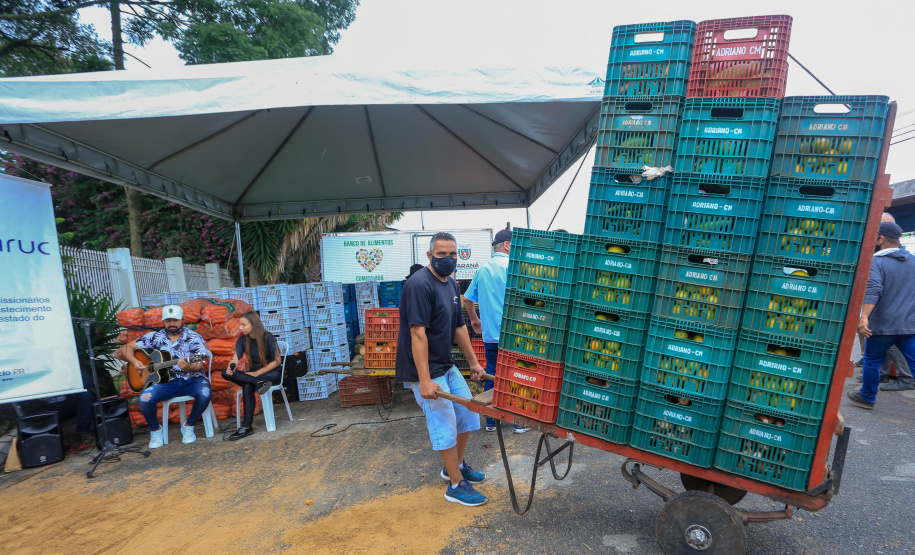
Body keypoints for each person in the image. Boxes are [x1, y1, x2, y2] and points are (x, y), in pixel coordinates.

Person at [396, 231, 488, 507]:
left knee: (467, 413)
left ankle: (455, 466)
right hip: (423, 369)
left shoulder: (451, 284)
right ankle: (456, 485)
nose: (447, 259)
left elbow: (459, 326)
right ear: (429, 256)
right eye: (441, 254)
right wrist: (424, 381)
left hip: (445, 364)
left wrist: (473, 362)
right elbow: (417, 334)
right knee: (444, 422)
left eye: (452, 254)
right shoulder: (418, 285)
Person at [463, 228, 529, 434]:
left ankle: (492, 421)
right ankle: (518, 421)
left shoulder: (482, 269)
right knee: (516, 374)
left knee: (492, 373)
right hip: (514, 334)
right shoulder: (514, 266)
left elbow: (467, 299)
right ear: (508, 245)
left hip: (490, 334)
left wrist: (475, 319)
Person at [847, 222, 915, 408]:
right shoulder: (913, 260)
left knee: (873, 361)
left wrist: (864, 317)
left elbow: (874, 288)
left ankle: (867, 397)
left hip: (883, 325)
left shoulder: (877, 261)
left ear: (882, 239)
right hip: (909, 324)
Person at [122, 305, 210, 448]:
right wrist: (135, 361)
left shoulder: (194, 337)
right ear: (163, 322)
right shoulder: (155, 337)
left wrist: (188, 365)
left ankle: (189, 426)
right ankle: (156, 431)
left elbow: (199, 365)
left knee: (205, 394)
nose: (172, 324)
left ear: (183, 320)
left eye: (175, 320)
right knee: (144, 399)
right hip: (165, 382)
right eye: (168, 320)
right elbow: (127, 348)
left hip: (193, 379)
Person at [222, 311, 282, 440]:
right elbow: (235, 357)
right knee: (224, 373)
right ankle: (257, 383)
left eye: (244, 325)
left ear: (253, 324)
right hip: (254, 376)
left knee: (247, 384)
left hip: (271, 373)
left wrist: (257, 373)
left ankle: (246, 427)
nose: (240, 327)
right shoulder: (243, 339)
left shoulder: (268, 337)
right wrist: (231, 366)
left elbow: (277, 361)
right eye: (240, 325)